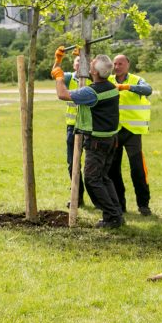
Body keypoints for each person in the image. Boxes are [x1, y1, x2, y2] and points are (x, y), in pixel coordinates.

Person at [53, 51, 123, 228]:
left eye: (91, 66)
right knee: (104, 177)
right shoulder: (112, 87)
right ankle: (116, 213)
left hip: (97, 142)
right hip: (111, 139)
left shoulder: (91, 92)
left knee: (92, 179)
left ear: (95, 73)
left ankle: (112, 216)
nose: (89, 67)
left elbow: (62, 94)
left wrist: (59, 77)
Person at [108, 54, 154, 216]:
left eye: (121, 63)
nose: (117, 66)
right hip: (115, 131)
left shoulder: (136, 79)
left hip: (132, 132)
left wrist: (126, 87)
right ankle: (120, 205)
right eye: (115, 63)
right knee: (113, 170)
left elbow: (148, 90)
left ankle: (143, 205)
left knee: (138, 169)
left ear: (128, 64)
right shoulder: (108, 80)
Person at [62, 55, 85, 206]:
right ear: (73, 64)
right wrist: (58, 60)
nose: (80, 64)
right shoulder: (69, 78)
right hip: (73, 127)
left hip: (91, 127)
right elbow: (55, 73)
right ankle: (77, 196)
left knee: (94, 166)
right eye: (78, 61)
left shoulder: (92, 77)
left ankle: (100, 199)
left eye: (83, 61)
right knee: (73, 163)